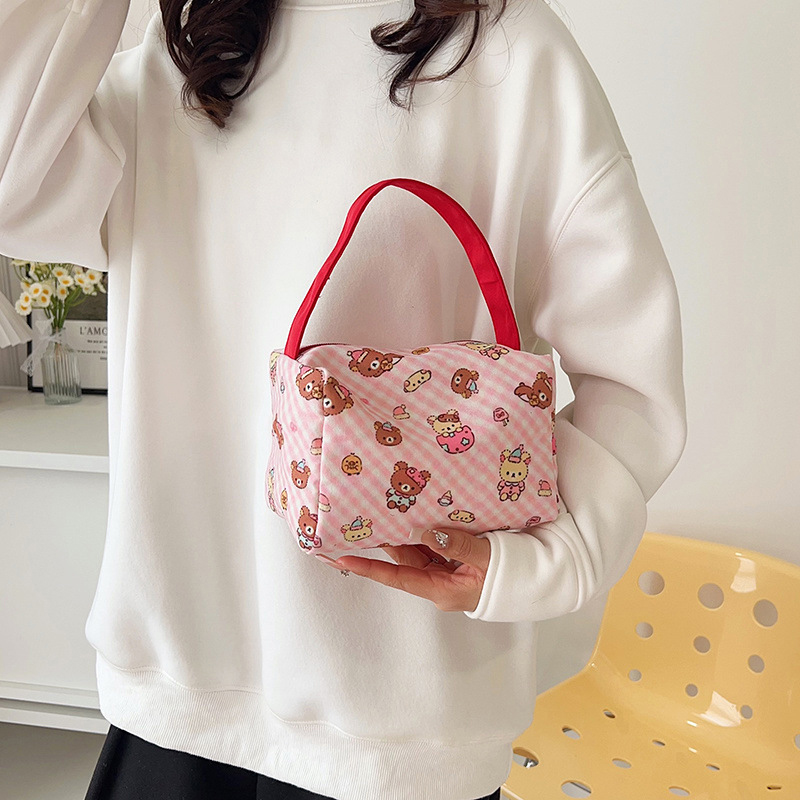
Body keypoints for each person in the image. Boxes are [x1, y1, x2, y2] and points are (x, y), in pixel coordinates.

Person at [0, 0, 688, 796]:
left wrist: (546, 559)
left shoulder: (509, 54)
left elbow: (632, 376)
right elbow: (13, 187)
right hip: (172, 701)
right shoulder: (183, 51)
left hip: (398, 735)